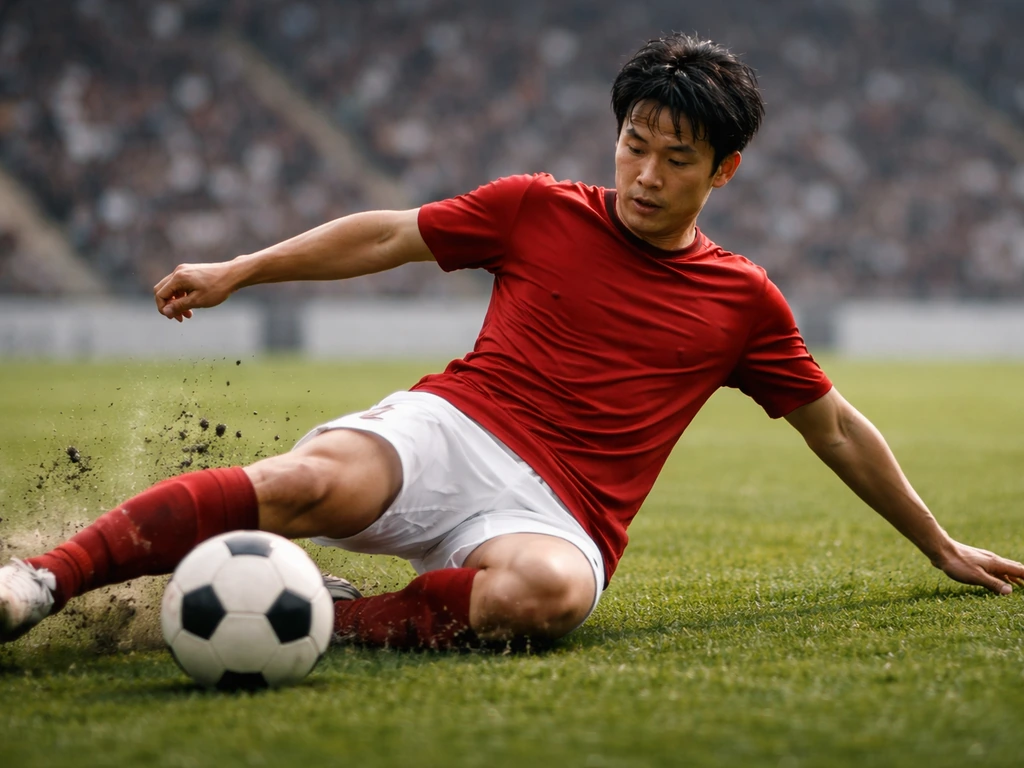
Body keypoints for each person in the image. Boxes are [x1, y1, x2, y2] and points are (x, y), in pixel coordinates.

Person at [2, 34, 1022, 650]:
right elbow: (390, 235)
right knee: (308, 482)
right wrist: (240, 268)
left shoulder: (744, 301)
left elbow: (833, 429)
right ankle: (42, 581)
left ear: (724, 172)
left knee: (548, 600)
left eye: (677, 159)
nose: (646, 174)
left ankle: (320, 614)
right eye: (634, 144)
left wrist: (937, 545)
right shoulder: (536, 207)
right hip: (454, 427)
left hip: (563, 513)